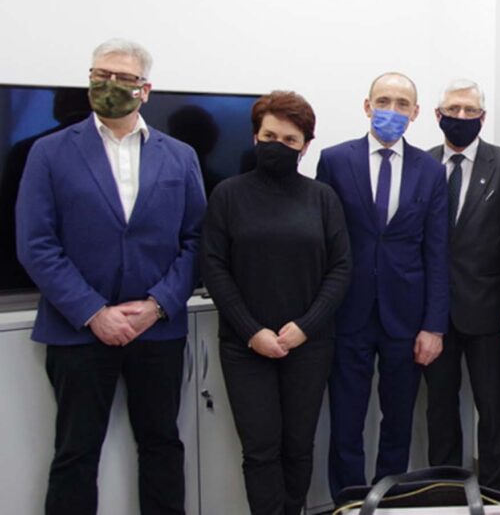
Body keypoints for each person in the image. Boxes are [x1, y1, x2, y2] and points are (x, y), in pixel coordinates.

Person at [15, 38, 206, 514]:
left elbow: (197, 240)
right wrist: (93, 312)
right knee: (75, 451)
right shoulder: (48, 152)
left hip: (157, 329)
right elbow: (36, 244)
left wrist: (158, 305)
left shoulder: (180, 156)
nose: (110, 86)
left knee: (162, 445)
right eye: (100, 75)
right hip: (77, 329)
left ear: (145, 89)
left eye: (123, 78)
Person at [201, 91, 352, 515]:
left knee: (298, 446)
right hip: (245, 346)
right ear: (255, 137)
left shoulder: (322, 198)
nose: (278, 145)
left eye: (290, 139)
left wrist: (306, 326)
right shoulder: (228, 195)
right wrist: (252, 332)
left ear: (305, 146)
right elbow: (213, 266)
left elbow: (341, 267)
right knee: (261, 449)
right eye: (270, 136)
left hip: (309, 344)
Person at [316, 72, 449, 498]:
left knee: (398, 422)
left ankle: (388, 501)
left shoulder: (431, 170)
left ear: (415, 113)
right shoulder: (335, 160)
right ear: (367, 106)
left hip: (406, 319)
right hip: (347, 313)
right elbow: (322, 243)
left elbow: (437, 252)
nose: (392, 110)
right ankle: (349, 502)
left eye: (402, 103)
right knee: (346, 421)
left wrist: (434, 325)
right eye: (384, 101)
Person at [423, 79, 500, 492]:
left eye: (470, 110)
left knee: (493, 407)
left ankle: (495, 492)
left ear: (482, 117)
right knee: (439, 408)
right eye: (453, 109)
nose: (461, 117)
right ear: (438, 115)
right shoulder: (424, 164)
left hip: (489, 311)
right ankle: (444, 490)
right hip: (434, 314)